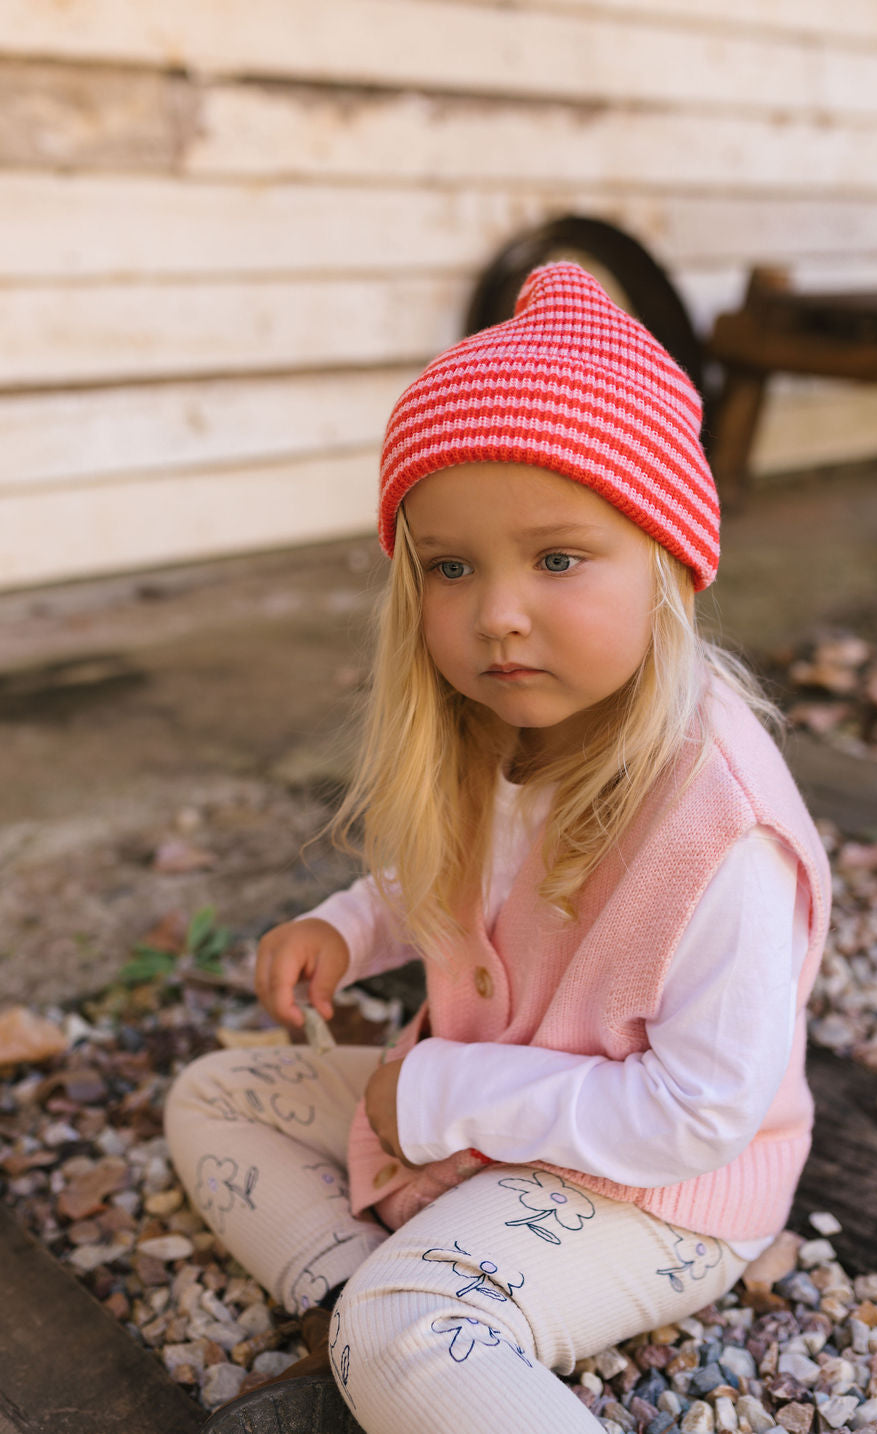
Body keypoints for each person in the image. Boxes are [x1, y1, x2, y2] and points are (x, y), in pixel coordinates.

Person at [165, 262, 831, 1434]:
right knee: (214, 1097)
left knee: (412, 1326)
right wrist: (349, 924)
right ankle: (345, 1306)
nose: (497, 614)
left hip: (657, 1188)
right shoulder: (495, 724)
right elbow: (467, 884)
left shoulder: (722, 830)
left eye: (558, 559)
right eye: (451, 567)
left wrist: (435, 1092)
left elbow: (696, 1115)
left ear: (668, 561)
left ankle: (405, 1332)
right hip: (493, 1122)